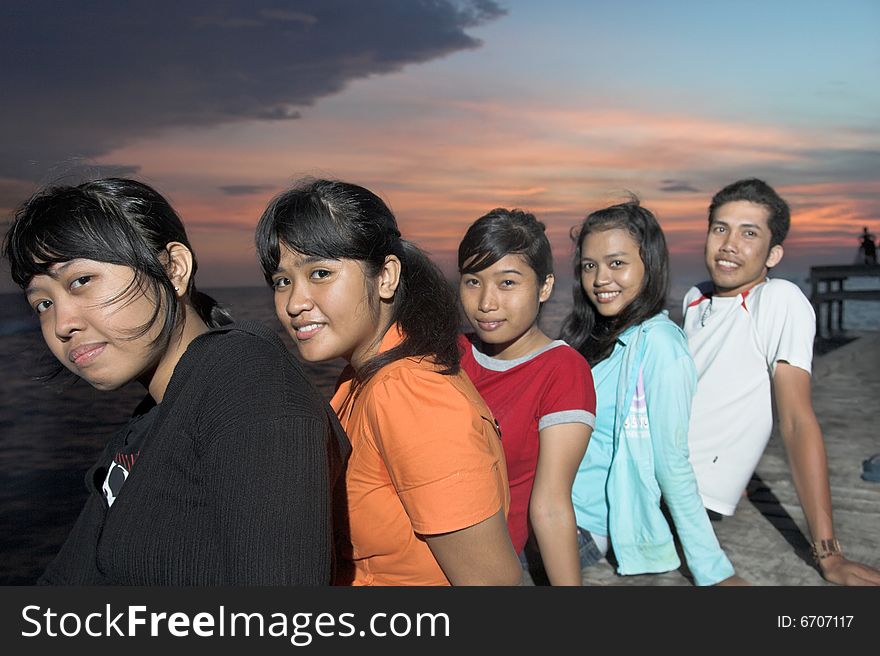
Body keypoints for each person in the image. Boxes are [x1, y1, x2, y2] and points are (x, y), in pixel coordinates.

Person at [2, 178, 349, 585]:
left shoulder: (246, 383)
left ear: (173, 269)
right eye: (42, 303)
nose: (62, 325)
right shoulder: (149, 423)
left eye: (81, 281)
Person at [255, 178, 521, 586]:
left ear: (386, 277)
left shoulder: (409, 392)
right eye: (282, 281)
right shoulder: (364, 378)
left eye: (321, 273)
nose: (294, 302)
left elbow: (493, 584)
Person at [683, 178, 880, 586]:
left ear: (773, 254)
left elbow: (796, 421)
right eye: (720, 228)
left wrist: (829, 554)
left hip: (680, 496)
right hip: (650, 470)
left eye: (748, 233)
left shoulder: (779, 300)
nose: (729, 244)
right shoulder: (694, 299)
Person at [561, 198, 741, 586]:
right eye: (589, 265)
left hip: (578, 528)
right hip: (543, 507)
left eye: (617, 263)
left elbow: (671, 462)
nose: (600, 279)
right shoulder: (590, 339)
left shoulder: (660, 345)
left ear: (650, 265)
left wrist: (714, 572)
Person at [457, 209, 595, 585]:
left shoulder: (562, 370)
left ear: (545, 286)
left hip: (488, 563)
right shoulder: (451, 353)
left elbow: (550, 504)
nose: (486, 302)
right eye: (473, 281)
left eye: (507, 283)